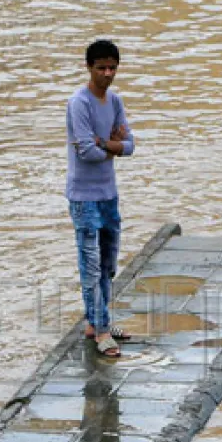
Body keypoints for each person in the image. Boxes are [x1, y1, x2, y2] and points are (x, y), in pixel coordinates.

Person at [66, 38, 135, 357]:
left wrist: (106, 144)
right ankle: (102, 330)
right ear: (89, 68)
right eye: (101, 68)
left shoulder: (115, 102)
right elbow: (87, 152)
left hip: (109, 194)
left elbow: (130, 145)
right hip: (84, 196)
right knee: (90, 263)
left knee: (108, 263)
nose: (108, 73)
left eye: (112, 68)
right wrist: (112, 146)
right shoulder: (79, 103)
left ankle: (98, 321)